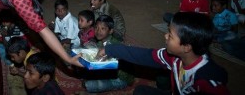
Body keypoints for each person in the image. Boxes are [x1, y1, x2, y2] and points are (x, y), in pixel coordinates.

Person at [97, 12, 230, 95]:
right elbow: (143, 55)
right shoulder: (174, 58)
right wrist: (110, 49)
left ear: (186, 47)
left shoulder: (208, 82)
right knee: (141, 91)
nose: (165, 36)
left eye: (170, 36)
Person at [83, 15, 134, 93]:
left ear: (110, 31)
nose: (98, 31)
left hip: (120, 78)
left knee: (89, 85)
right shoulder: (100, 42)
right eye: (96, 28)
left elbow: (104, 65)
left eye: (103, 28)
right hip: (109, 73)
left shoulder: (114, 46)